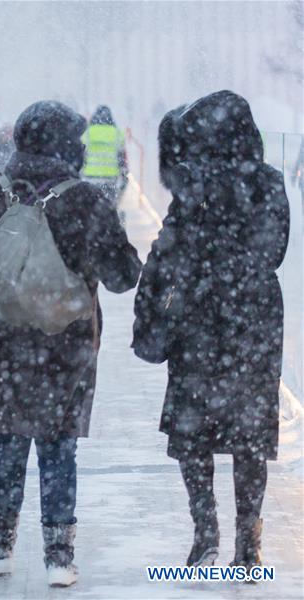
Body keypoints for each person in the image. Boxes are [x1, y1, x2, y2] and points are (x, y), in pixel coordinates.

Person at [0, 100, 141, 587]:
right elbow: (123, 277)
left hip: (2, 342)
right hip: (68, 341)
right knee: (59, 445)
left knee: (8, 441)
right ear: (68, 145)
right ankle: (59, 556)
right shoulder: (85, 201)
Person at [132, 91, 289, 574]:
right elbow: (274, 250)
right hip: (254, 322)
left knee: (193, 433)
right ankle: (249, 541)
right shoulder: (268, 183)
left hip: (197, 323)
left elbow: (169, 249)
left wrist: (150, 305)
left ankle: (205, 534)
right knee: (250, 438)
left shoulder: (193, 185)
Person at [80, 105, 129, 219]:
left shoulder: (87, 133)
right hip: (110, 178)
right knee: (109, 206)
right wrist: (124, 176)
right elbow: (121, 159)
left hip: (89, 177)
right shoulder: (117, 134)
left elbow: (81, 155)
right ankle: (109, 224)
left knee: (89, 207)